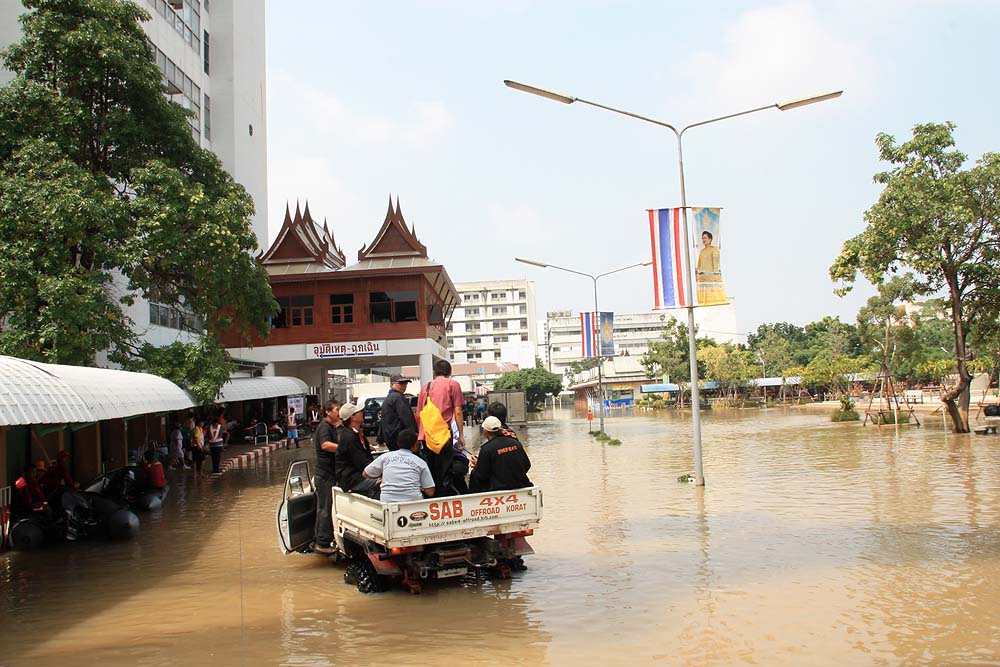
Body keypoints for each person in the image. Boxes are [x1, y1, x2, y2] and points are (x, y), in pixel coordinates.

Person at [416, 359, 465, 495]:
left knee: (429, 471)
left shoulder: (425, 387)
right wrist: (460, 435)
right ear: (450, 372)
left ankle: (430, 499)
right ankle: (443, 500)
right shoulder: (452, 384)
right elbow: (458, 411)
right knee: (444, 471)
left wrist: (419, 436)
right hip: (443, 436)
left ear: (434, 372)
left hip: (426, 436)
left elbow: (419, 414)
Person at [362, 429, 435, 502]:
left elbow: (365, 474)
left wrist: (382, 478)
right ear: (415, 445)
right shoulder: (420, 462)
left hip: (387, 502)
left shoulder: (385, 457)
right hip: (413, 502)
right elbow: (430, 492)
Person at [469, 416, 532, 493]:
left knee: (473, 474)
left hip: (497, 490)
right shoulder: (516, 443)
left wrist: (477, 466)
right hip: (521, 485)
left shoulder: (486, 449)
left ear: (485, 431)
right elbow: (527, 465)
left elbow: (482, 475)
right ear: (501, 429)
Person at [313, 400, 341, 555]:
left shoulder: (332, 427)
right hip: (325, 474)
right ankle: (322, 542)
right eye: (337, 410)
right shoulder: (324, 427)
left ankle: (324, 539)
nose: (338, 412)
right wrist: (343, 447)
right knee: (325, 507)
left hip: (329, 473)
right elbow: (325, 445)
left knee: (326, 507)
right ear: (328, 412)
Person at [335, 403, 375, 495]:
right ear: (352, 417)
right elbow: (361, 461)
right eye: (358, 412)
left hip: (358, 476)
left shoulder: (356, 434)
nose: (362, 413)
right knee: (384, 483)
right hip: (352, 479)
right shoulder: (349, 437)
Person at [379, 374, 417, 451]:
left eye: (405, 383)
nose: (404, 386)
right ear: (392, 384)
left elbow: (382, 421)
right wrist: (415, 434)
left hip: (390, 439)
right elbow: (407, 418)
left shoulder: (388, 398)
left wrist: (380, 438)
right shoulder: (398, 397)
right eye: (400, 383)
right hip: (400, 439)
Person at [695, 229, 726, 305]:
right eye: (702, 238)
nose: (703, 240)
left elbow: (715, 266)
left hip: (711, 280)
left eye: (705, 238)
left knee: (713, 298)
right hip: (703, 280)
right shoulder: (702, 251)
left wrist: (714, 277)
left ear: (710, 239)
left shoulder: (714, 250)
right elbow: (699, 266)